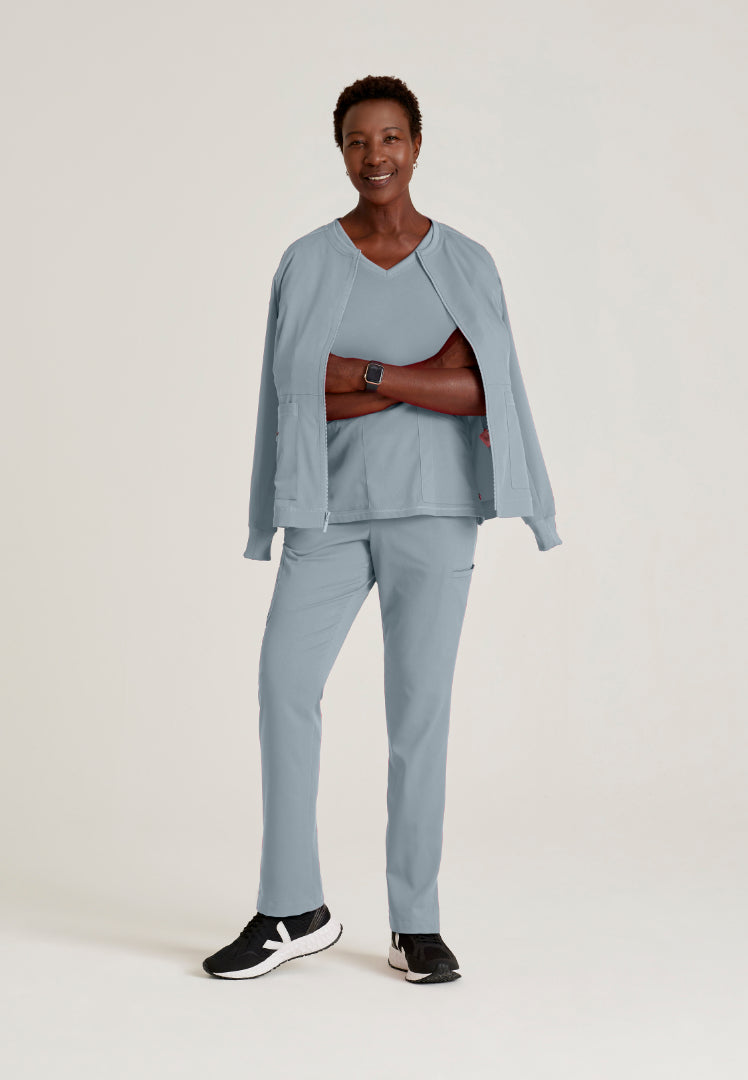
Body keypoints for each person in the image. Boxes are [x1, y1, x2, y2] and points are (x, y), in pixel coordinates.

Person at [203, 75, 562, 985]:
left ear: (417, 145)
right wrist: (416, 376)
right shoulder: (307, 262)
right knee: (284, 685)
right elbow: (294, 396)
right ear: (341, 151)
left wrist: (358, 375)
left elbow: (484, 392)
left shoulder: (467, 263)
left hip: (436, 514)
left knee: (419, 713)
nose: (376, 156)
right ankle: (292, 907)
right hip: (326, 513)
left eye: (391, 137)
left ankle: (416, 922)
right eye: (359, 140)